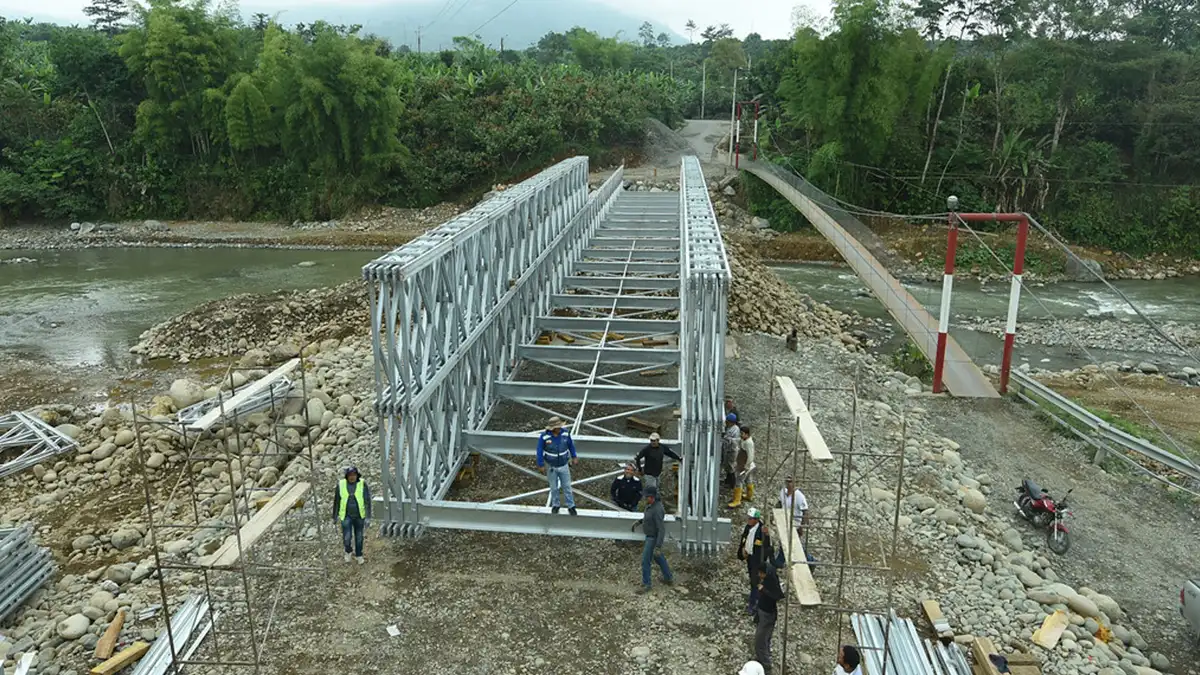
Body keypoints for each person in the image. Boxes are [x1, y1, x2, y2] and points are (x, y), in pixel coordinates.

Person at [536, 416, 578, 515]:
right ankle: (556, 504)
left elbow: (571, 445)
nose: (559, 428)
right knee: (554, 488)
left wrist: (574, 456)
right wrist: (540, 464)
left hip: (564, 465)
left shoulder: (565, 434)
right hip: (551, 466)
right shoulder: (544, 437)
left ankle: (571, 506)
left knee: (567, 486)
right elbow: (539, 450)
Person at [737, 507, 774, 615]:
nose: (748, 520)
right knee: (752, 580)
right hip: (750, 557)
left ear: (756, 519)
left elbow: (767, 546)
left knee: (755, 582)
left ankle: (754, 605)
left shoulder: (762, 530)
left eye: (750, 518)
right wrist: (743, 550)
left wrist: (766, 535)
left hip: (757, 560)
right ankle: (754, 601)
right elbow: (744, 538)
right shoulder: (748, 527)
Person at [332, 466, 371, 564]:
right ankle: (348, 551)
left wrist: (368, 517)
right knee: (347, 537)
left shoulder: (362, 484)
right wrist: (335, 516)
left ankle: (359, 555)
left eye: (354, 475)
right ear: (346, 476)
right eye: (350, 475)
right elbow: (336, 501)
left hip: (359, 515)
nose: (352, 477)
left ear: (357, 475)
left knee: (359, 537)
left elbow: (367, 501)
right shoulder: (341, 484)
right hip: (346, 515)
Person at [637, 486, 674, 592]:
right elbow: (649, 517)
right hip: (651, 536)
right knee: (658, 557)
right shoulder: (651, 505)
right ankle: (668, 578)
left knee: (645, 561)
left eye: (646, 496)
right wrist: (640, 522)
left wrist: (658, 545)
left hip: (652, 538)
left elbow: (661, 529)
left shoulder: (657, 509)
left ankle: (646, 584)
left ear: (652, 497)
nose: (645, 498)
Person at [755, 565, 785, 675]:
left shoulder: (771, 584)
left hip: (767, 615)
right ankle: (763, 659)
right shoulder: (770, 579)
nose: (759, 575)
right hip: (765, 614)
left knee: (760, 641)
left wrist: (763, 590)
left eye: (761, 573)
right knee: (765, 639)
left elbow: (777, 596)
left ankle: (766, 666)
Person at [728, 425, 756, 508]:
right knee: (748, 480)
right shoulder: (745, 440)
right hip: (749, 466)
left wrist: (746, 466)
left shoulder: (748, 443)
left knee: (738, 482)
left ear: (747, 434)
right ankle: (749, 496)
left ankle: (737, 500)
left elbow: (750, 455)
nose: (741, 435)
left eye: (742, 433)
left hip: (745, 466)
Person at [780, 475, 810, 540]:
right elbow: (780, 503)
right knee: (783, 542)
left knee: (794, 543)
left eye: (790, 482)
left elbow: (805, 511)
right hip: (784, 521)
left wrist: (801, 527)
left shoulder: (799, 496)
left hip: (795, 523)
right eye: (787, 481)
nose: (788, 483)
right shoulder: (783, 492)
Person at [722, 413, 741, 490]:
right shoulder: (730, 427)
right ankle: (727, 480)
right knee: (727, 465)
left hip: (732, 450)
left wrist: (726, 438)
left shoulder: (735, 429)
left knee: (731, 466)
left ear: (731, 422)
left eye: (727, 421)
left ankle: (732, 483)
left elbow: (735, 440)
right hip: (728, 449)